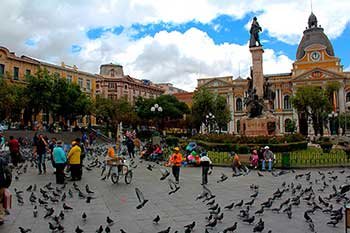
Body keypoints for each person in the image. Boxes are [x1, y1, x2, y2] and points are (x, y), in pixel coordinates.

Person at [0, 156, 11, 225]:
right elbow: (8, 173)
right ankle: (0, 218)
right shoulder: (2, 160)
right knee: (0, 201)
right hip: (1, 184)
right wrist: (6, 184)